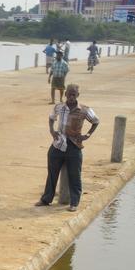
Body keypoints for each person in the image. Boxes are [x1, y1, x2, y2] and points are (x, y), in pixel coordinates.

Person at [36, 83, 99, 213]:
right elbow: (51, 118)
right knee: (52, 173)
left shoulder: (84, 110)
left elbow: (95, 121)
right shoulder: (59, 107)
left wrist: (87, 135)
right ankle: (46, 199)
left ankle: (74, 202)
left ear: (77, 95)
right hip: (58, 144)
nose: (71, 96)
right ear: (65, 94)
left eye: (73, 94)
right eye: (69, 94)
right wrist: (51, 130)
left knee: (74, 175)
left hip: (74, 145)